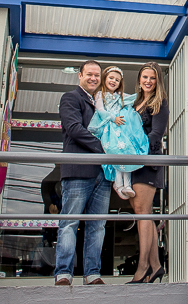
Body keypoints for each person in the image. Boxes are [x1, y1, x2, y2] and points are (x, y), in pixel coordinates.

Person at [55, 60, 109, 286]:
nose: (94, 78)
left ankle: (92, 274)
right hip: (78, 170)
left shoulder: (102, 103)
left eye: (97, 75)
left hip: (103, 174)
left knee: (97, 226)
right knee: (69, 223)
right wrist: (105, 148)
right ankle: (63, 274)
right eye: (89, 74)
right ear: (80, 75)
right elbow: (75, 129)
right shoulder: (70, 98)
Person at [128, 63, 170, 284]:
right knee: (143, 212)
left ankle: (143, 267)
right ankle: (155, 267)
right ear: (139, 79)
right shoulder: (135, 102)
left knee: (143, 213)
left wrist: (136, 148)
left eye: (152, 78)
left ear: (157, 81)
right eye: (145, 77)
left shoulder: (160, 103)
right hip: (135, 162)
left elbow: (156, 134)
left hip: (148, 161)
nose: (148, 81)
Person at [88, 66, 149, 199]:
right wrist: (113, 118)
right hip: (108, 129)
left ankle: (127, 185)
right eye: (111, 78)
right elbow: (100, 110)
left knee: (126, 153)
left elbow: (133, 98)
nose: (113, 81)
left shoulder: (119, 96)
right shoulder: (100, 95)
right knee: (115, 153)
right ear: (104, 79)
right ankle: (118, 184)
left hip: (120, 130)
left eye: (117, 80)